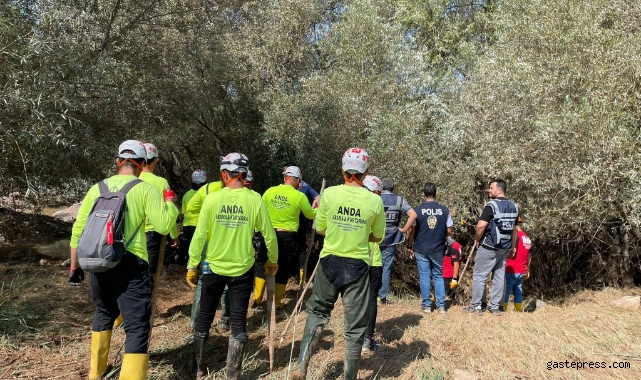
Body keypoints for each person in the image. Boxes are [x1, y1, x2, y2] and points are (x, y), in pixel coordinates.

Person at [68, 140, 179, 380]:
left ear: (118, 162)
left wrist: (74, 266)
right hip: (131, 263)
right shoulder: (145, 189)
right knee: (137, 324)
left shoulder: (97, 188)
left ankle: (95, 372)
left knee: (103, 313)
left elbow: (78, 230)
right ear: (141, 165)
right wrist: (170, 203)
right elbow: (163, 225)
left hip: (98, 260)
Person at [291, 147, 385, 380]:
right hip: (358, 267)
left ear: (343, 169)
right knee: (355, 326)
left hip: (329, 262)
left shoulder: (330, 195)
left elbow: (320, 228)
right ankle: (350, 376)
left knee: (317, 312)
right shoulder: (374, 201)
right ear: (366, 172)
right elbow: (377, 236)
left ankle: (301, 365)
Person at [186, 153, 278, 380]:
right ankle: (232, 374)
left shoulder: (212, 199)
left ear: (224, 174)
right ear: (244, 174)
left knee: (204, 318)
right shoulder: (254, 199)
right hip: (242, 271)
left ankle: (197, 368)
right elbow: (269, 235)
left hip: (213, 268)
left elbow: (199, 236)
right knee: (238, 323)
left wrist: (192, 265)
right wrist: (272, 259)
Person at [260, 166, 316, 309]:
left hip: (268, 234)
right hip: (287, 235)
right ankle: (276, 303)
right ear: (296, 180)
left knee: (261, 264)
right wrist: (317, 209)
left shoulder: (269, 191)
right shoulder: (299, 195)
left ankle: (257, 298)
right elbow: (310, 214)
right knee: (282, 267)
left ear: (285, 178)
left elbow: (260, 211)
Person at [464, 179, 519, 316]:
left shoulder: (491, 205)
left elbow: (481, 226)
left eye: (491, 188)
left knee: (479, 275)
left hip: (490, 245)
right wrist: (513, 246)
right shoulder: (514, 206)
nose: (489, 190)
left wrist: (477, 240)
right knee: (499, 276)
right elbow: (515, 229)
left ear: (499, 190)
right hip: (505, 247)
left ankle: (476, 306)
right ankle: (494, 307)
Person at [405, 183, 453, 314]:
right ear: (436, 194)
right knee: (438, 275)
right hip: (438, 247)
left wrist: (409, 246)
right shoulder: (445, 210)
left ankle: (427, 306)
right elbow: (449, 230)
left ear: (423, 194)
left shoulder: (416, 211)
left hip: (421, 248)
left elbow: (412, 231)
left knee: (424, 276)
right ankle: (441, 306)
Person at [186, 169, 224, 330]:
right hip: (225, 236)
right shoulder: (240, 191)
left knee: (204, 279)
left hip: (205, 237)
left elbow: (189, 207)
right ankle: (225, 321)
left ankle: (195, 321)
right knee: (228, 279)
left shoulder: (207, 189)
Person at [139, 142, 179, 290]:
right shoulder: (161, 182)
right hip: (153, 234)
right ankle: (146, 308)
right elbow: (168, 211)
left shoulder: (130, 180)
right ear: (154, 161)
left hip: (131, 232)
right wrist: (174, 235)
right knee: (149, 272)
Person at [378, 178, 417, 304]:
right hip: (391, 238)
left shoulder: (375, 197)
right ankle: (381, 298)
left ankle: (369, 296)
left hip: (373, 238)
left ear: (381, 187)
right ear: (393, 187)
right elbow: (413, 215)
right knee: (386, 268)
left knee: (370, 266)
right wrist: (405, 229)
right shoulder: (400, 200)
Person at [282, 163, 321, 284]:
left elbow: (318, 197)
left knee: (296, 249)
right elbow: (318, 197)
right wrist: (314, 207)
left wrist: (313, 207)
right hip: (296, 221)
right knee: (299, 249)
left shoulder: (302, 186)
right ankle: (296, 277)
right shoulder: (304, 185)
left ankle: (298, 277)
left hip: (295, 222)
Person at [362, 175, 384, 352]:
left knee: (354, 298)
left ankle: (353, 336)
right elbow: (379, 235)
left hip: (352, 257)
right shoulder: (376, 204)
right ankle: (367, 339)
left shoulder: (351, 199)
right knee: (370, 299)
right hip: (372, 259)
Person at [504, 217, 532, 312]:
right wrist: (527, 268)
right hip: (522, 270)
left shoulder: (515, 237)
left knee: (506, 290)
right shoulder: (527, 237)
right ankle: (518, 310)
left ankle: (503, 309)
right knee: (518, 290)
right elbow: (529, 255)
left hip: (512, 269)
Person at [181, 170, 207, 259]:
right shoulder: (205, 194)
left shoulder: (186, 194)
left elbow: (184, 211)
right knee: (200, 249)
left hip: (187, 226)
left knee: (189, 248)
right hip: (199, 225)